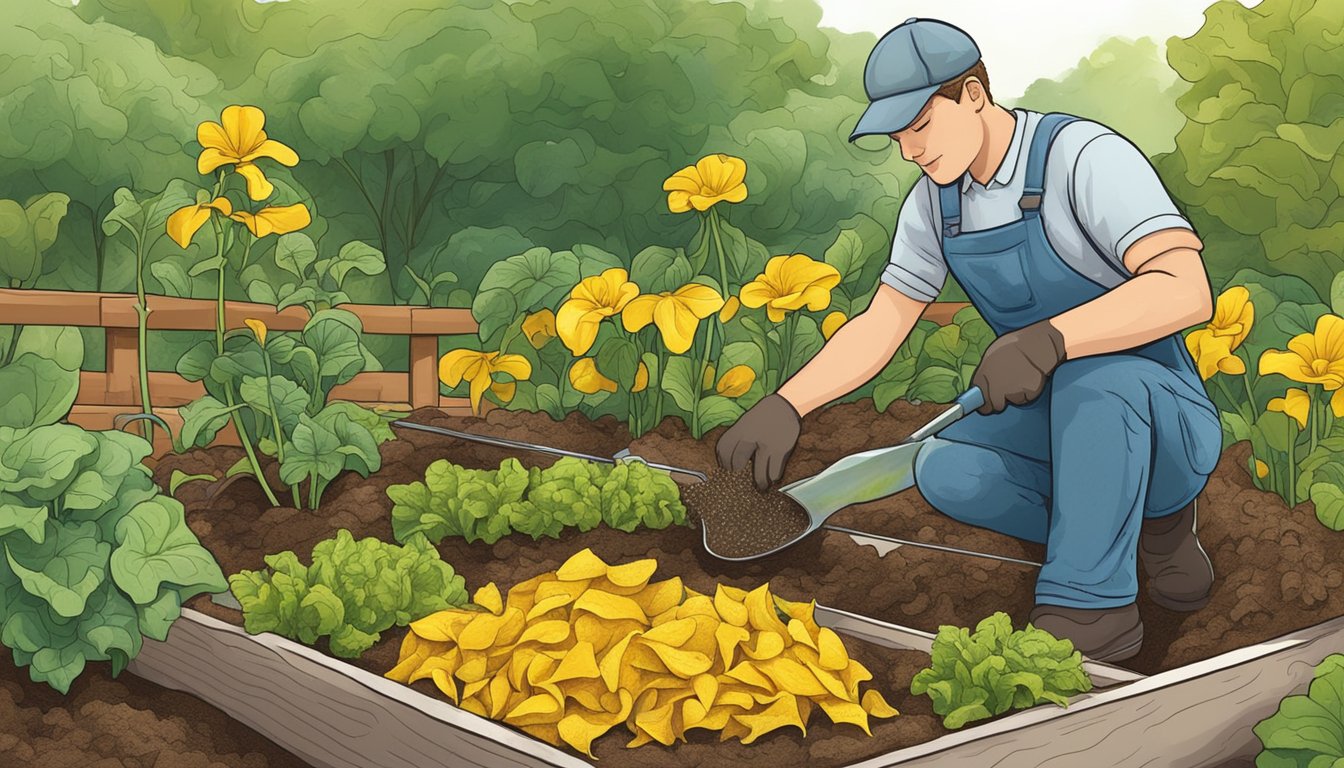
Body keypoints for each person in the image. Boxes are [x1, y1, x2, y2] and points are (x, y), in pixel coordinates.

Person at [715, 18, 1222, 662]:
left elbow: (1186, 288)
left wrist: (1053, 339)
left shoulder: (1083, 158)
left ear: (974, 95)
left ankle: (1096, 606)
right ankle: (1120, 535)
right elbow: (884, 321)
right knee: (946, 467)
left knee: (1098, 381)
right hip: (1052, 407)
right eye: (898, 136)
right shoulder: (935, 202)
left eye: (920, 126)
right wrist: (787, 404)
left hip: (1158, 411)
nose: (910, 150)